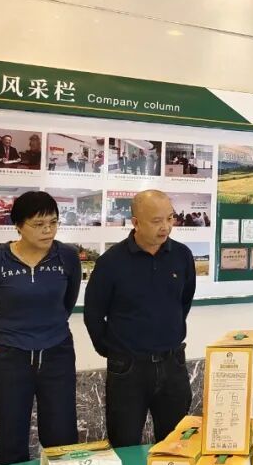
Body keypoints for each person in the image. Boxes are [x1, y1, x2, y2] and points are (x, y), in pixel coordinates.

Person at [0, 191, 81, 465]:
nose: (48, 230)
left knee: (62, 435)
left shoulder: (66, 256)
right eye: (39, 224)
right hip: (10, 358)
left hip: (57, 353)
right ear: (18, 225)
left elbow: (67, 303)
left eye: (53, 222)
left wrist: (46, 329)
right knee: (11, 437)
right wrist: (4, 339)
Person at [84, 189, 196, 446]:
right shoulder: (111, 262)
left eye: (170, 218)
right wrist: (112, 350)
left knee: (175, 445)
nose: (165, 227)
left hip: (172, 364)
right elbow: (93, 313)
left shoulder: (181, 256)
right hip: (128, 369)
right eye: (156, 221)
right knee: (125, 444)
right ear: (135, 222)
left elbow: (183, 301)